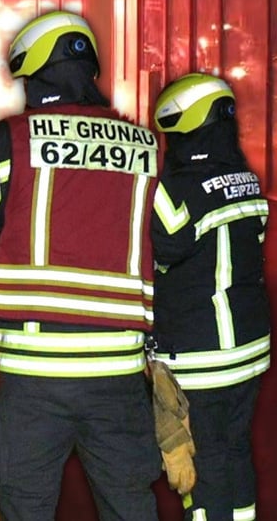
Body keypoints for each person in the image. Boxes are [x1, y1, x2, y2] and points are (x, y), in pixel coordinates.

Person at [0, 10, 163, 520]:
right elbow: (174, 245)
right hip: (118, 373)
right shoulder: (148, 146)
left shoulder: (13, 141)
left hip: (33, 377)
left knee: (24, 507)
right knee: (130, 507)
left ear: (38, 74)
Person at [151, 73, 271, 521]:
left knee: (203, 464)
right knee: (236, 450)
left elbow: (161, 252)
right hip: (251, 351)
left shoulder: (175, 190)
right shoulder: (249, 183)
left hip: (203, 358)